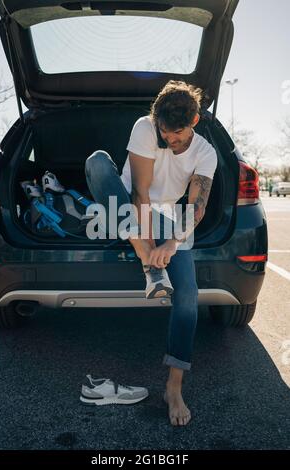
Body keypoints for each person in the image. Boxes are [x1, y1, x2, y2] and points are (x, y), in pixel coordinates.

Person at [84, 80, 217, 426]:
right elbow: (140, 193)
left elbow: (196, 207)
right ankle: (148, 265)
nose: (170, 141)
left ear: (195, 121)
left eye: (178, 135)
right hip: (125, 208)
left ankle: (174, 387)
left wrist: (172, 243)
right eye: (165, 132)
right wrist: (148, 248)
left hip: (169, 219)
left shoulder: (205, 153)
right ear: (155, 119)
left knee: (188, 296)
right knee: (98, 163)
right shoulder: (145, 127)